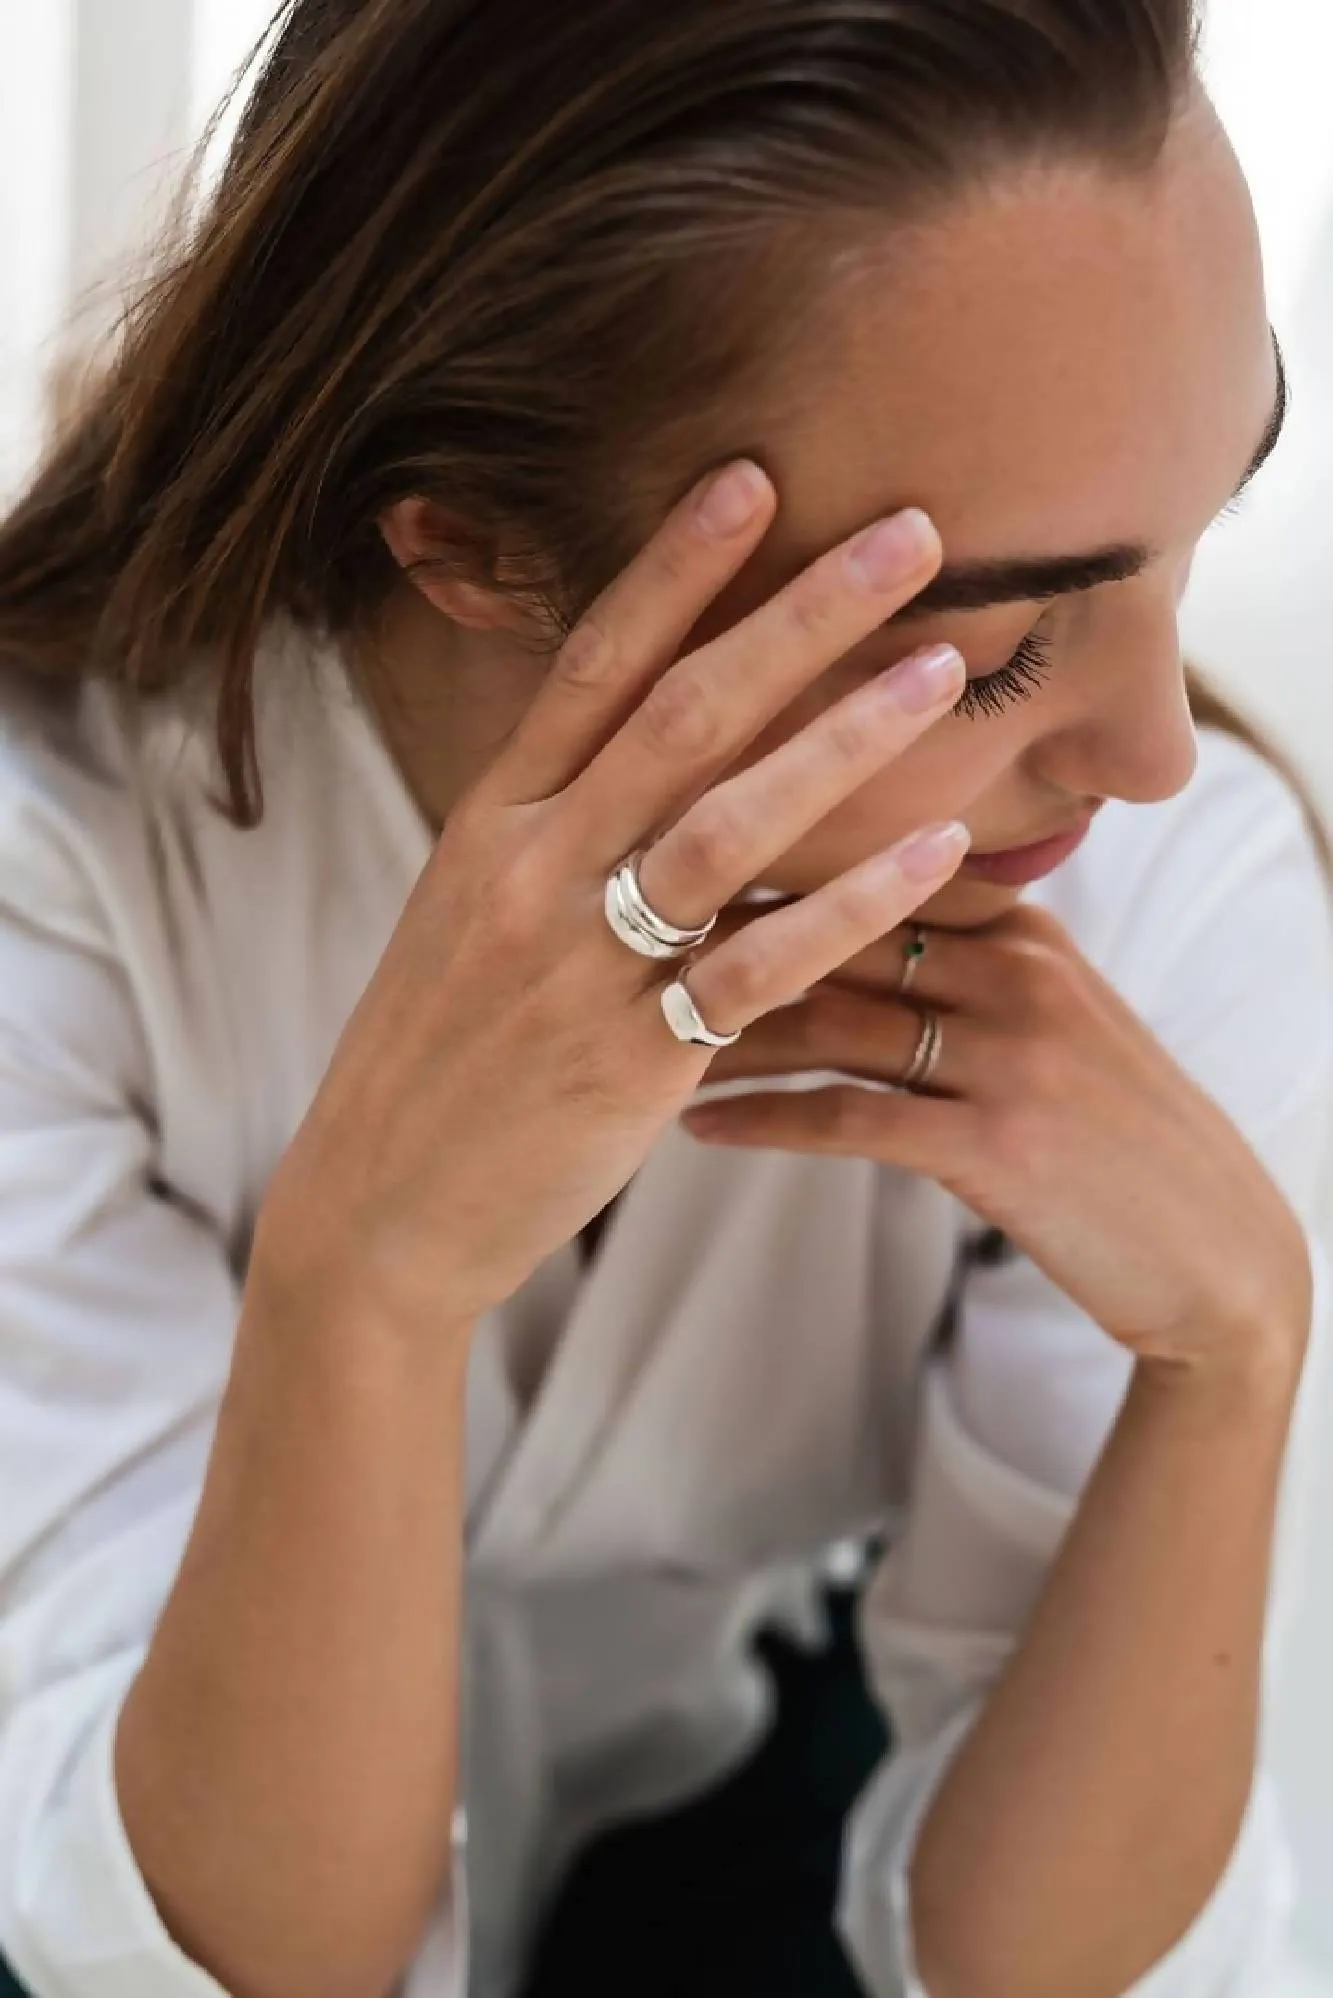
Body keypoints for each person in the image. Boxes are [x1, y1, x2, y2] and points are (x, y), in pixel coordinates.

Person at [0, 1, 1330, 1994]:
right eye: (985, 657)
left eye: (1193, 533)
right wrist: (364, 1284)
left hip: (756, 1811)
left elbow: (1041, 1974)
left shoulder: (1169, 886)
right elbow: (209, 1963)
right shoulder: (65, 863)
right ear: (474, 548)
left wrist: (1224, 1364)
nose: (1155, 750)